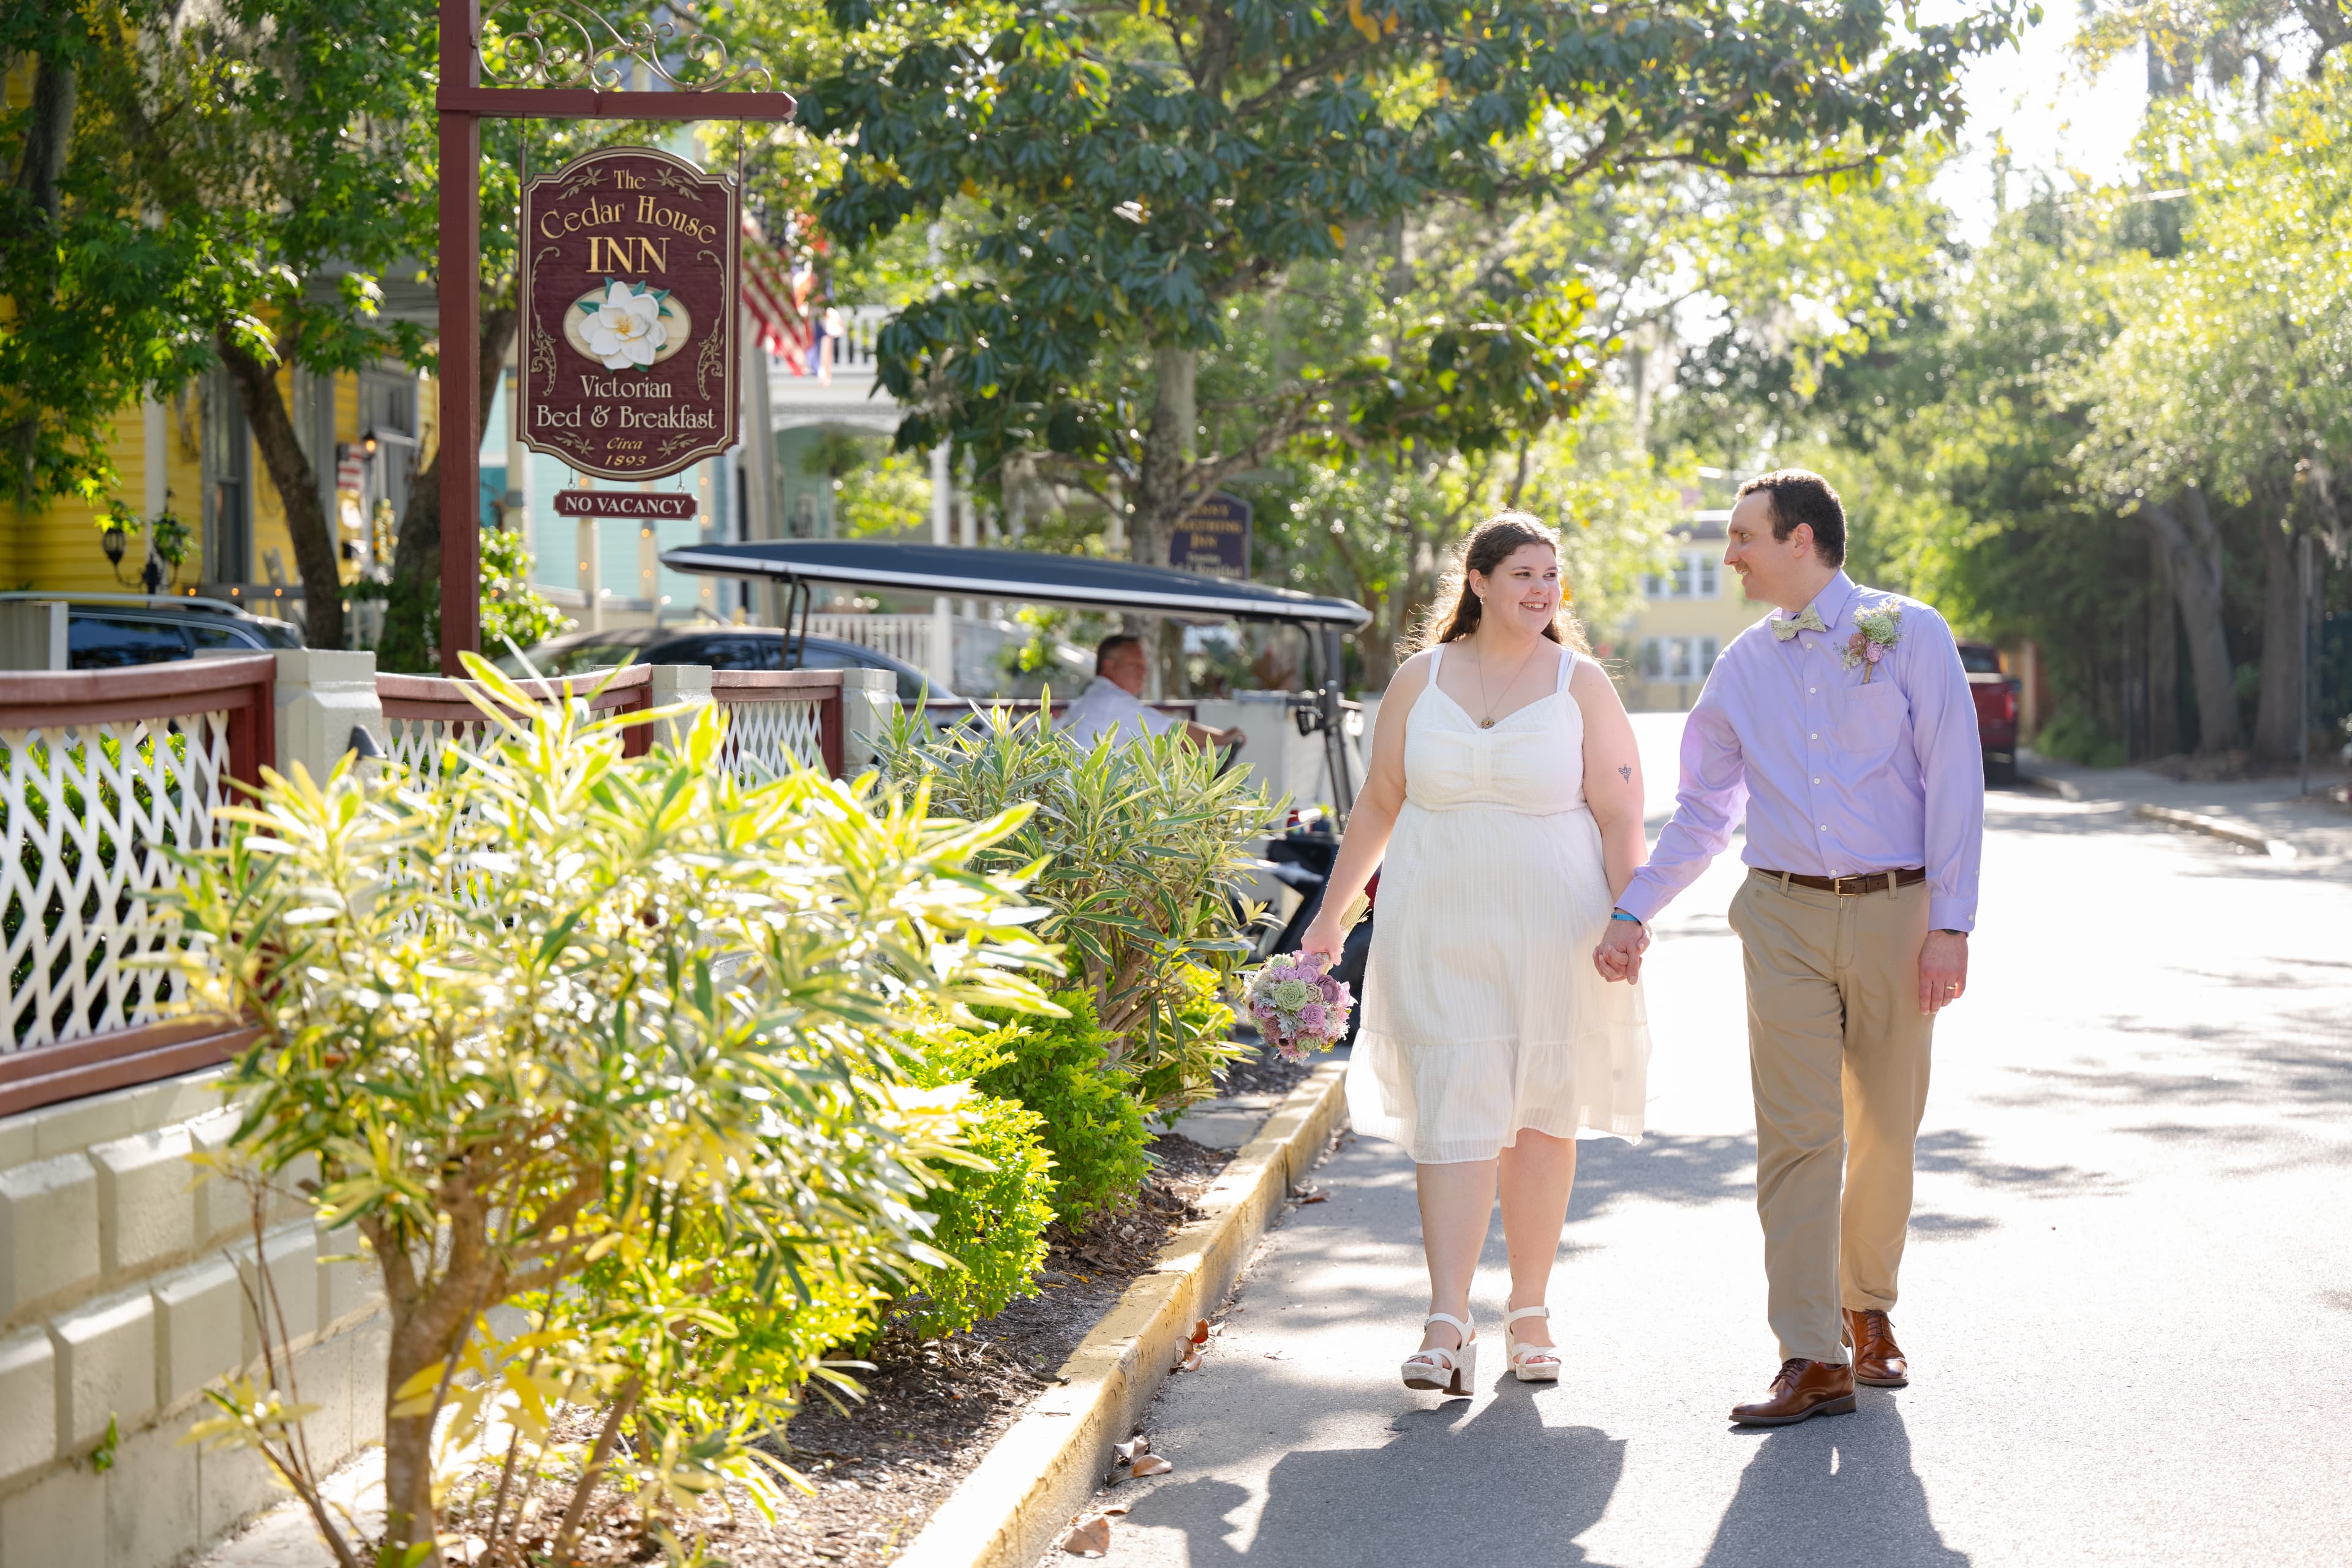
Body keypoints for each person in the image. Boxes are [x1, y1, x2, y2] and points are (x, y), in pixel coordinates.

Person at [1595, 469, 1984, 1428]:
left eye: (1743, 537)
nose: (1730, 555)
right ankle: (1811, 1355)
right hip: (1782, 917)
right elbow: (1703, 814)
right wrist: (1635, 908)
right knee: (1798, 1137)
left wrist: (1951, 925)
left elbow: (1955, 781)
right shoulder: (1740, 668)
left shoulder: (1911, 634)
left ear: (1799, 539)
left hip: (1898, 912)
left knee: (1886, 1127)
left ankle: (1867, 1306)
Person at [1301, 512, 1651, 1393]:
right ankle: (1446, 1320)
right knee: (1455, 1107)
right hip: (1435, 922)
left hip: (1554, 928)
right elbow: (1379, 802)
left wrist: (1630, 913)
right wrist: (1331, 916)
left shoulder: (1581, 684)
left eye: (1551, 576)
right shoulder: (1419, 679)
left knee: (1539, 1115)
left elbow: (1620, 816)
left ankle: (1529, 1312)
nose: (1542, 590)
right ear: (1480, 581)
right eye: (1524, 574)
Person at [1057, 633, 1247, 751]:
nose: (1143, 673)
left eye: (1144, 666)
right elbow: (1173, 733)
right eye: (1135, 665)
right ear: (1109, 666)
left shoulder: (1096, 694)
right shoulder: (1112, 700)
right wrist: (1224, 738)